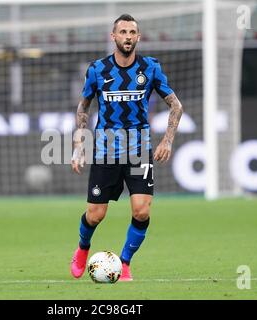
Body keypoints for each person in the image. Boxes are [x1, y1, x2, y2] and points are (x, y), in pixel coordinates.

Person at [70, 14, 183, 281]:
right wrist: (79, 145)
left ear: (138, 37)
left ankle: (125, 263)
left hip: (139, 150)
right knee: (96, 215)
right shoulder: (98, 69)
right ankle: (83, 248)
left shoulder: (151, 68)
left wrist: (167, 139)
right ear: (113, 37)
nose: (128, 36)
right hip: (106, 149)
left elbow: (176, 105)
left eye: (133, 32)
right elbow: (83, 107)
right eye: (123, 32)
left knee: (142, 210)